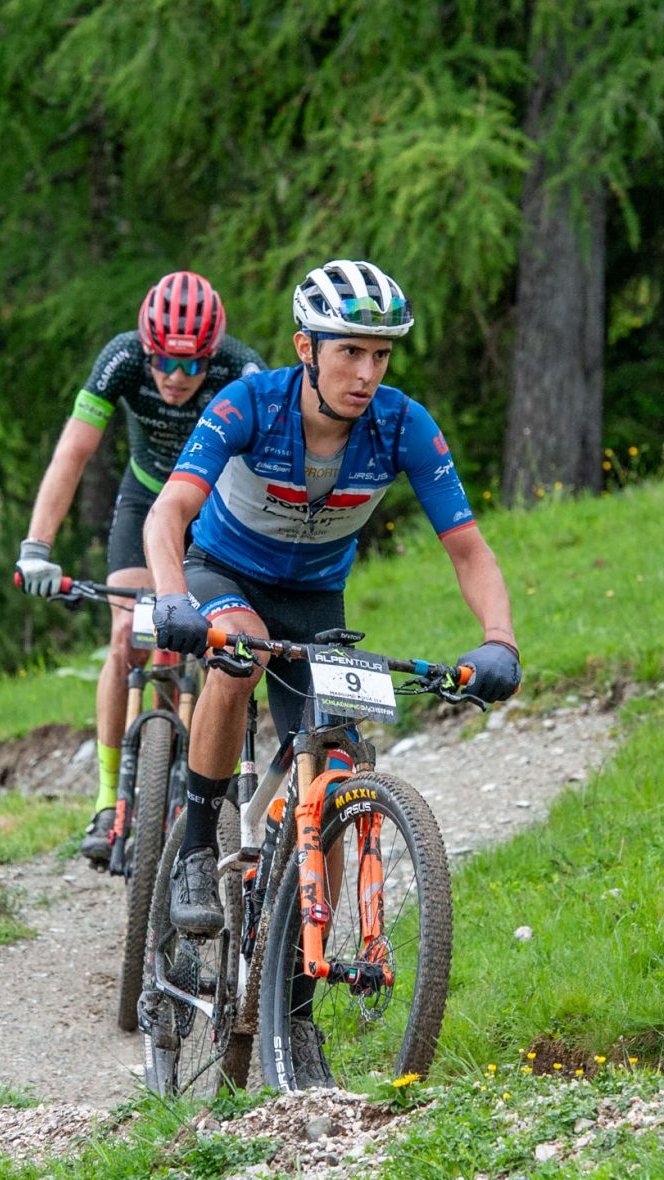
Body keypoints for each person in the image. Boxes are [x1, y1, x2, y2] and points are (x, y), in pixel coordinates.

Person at [143, 258, 523, 936]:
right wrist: (172, 599)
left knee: (334, 771)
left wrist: (500, 640)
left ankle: (295, 1008)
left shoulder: (404, 426)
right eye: (349, 351)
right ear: (305, 349)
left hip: (317, 598)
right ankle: (198, 845)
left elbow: (469, 548)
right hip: (222, 573)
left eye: (380, 354)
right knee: (238, 658)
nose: (368, 373)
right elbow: (167, 513)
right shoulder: (249, 405)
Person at [16, 271, 266, 864]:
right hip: (147, 499)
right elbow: (72, 453)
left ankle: (205, 779)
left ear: (214, 354)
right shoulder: (120, 359)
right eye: (163, 364)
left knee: (217, 647)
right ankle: (108, 801)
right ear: (145, 348)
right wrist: (36, 547)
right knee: (128, 632)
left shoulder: (242, 368)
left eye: (191, 366)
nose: (175, 379)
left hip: (215, 511)